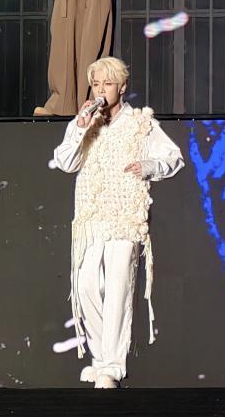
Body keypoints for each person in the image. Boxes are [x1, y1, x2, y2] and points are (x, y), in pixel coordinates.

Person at [50, 56, 184, 387]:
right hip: (91, 217)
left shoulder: (140, 123)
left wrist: (149, 166)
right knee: (86, 286)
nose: (100, 90)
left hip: (125, 216)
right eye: (96, 84)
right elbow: (65, 162)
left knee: (117, 290)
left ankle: (112, 366)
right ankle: (100, 359)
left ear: (122, 87)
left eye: (107, 84)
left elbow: (173, 157)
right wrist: (79, 127)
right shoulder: (86, 123)